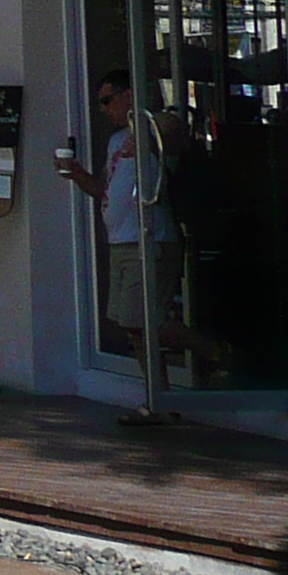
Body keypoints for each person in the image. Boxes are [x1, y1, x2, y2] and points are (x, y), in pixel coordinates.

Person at [58, 70, 187, 370]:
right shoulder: (116, 140)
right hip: (121, 240)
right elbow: (105, 191)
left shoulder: (153, 130)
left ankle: (214, 351)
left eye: (107, 100)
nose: (103, 109)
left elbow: (173, 127)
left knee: (143, 321)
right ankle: (155, 394)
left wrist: (143, 127)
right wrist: (76, 173)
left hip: (149, 238)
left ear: (128, 95)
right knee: (131, 324)